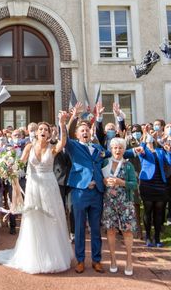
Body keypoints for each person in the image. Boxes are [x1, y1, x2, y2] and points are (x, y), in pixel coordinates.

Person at [0, 114, 72, 274]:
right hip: (33, 186)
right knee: (33, 219)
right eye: (40, 129)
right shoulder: (29, 146)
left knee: (51, 219)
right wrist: (8, 165)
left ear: (49, 134)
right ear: (36, 133)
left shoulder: (52, 148)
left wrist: (62, 124)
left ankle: (52, 255)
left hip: (49, 185)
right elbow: (20, 163)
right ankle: (34, 255)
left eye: (46, 130)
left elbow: (63, 142)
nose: (43, 131)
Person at [64, 102, 105, 274]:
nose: (85, 132)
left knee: (96, 228)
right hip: (80, 191)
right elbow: (63, 136)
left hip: (97, 192)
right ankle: (80, 260)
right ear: (77, 134)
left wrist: (100, 119)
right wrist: (73, 117)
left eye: (87, 130)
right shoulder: (73, 146)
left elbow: (113, 151)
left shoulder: (97, 147)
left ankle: (96, 260)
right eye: (82, 130)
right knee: (79, 228)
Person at [102, 137, 138, 276]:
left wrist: (121, 182)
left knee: (127, 232)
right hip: (109, 202)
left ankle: (129, 260)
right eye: (115, 148)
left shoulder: (128, 165)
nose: (118, 150)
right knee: (110, 231)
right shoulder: (105, 162)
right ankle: (113, 260)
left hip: (125, 203)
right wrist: (104, 181)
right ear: (111, 149)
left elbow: (134, 184)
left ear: (124, 150)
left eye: (120, 148)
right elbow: (101, 180)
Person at [136, 127, 171, 247]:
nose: (151, 137)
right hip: (147, 183)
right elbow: (141, 150)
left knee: (159, 211)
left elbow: (170, 161)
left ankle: (157, 237)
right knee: (148, 209)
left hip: (160, 183)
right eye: (149, 135)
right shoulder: (143, 149)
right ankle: (147, 236)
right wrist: (145, 135)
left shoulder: (160, 150)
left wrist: (169, 151)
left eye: (152, 135)